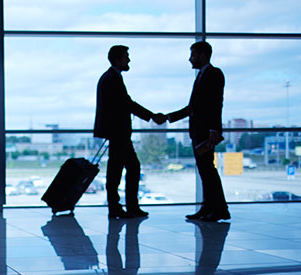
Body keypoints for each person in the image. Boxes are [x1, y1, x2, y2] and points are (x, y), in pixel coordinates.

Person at [153, 41, 229, 222]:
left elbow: (215, 104)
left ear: (203, 55)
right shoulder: (201, 76)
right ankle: (209, 207)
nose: (190, 59)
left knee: (208, 171)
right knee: (205, 172)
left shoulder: (214, 74)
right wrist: (169, 117)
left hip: (206, 133)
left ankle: (219, 209)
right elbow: (192, 108)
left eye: (192, 55)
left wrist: (213, 130)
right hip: (199, 133)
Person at [94, 45, 156, 219]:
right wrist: (151, 116)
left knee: (121, 169)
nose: (128, 60)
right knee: (125, 169)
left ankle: (121, 207)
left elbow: (124, 103)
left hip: (116, 133)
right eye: (126, 57)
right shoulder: (112, 78)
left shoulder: (110, 77)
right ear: (117, 59)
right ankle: (124, 207)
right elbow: (126, 103)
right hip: (118, 133)